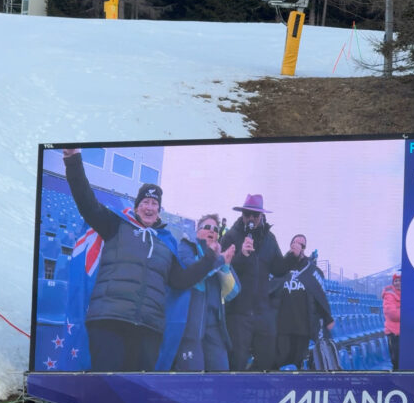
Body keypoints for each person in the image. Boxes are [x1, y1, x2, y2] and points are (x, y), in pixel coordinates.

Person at [62, 148, 227, 371]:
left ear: (159, 211)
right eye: (146, 202)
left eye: (154, 204)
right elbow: (87, 203)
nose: (150, 207)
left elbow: (181, 280)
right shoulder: (115, 224)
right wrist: (73, 161)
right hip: (109, 321)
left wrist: (210, 259)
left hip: (148, 329)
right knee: (104, 388)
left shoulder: (167, 242)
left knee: (136, 394)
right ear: (137, 205)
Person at [220, 194, 298, 371]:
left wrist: (291, 257)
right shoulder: (231, 236)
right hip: (238, 311)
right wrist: (241, 256)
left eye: (255, 215)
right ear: (242, 215)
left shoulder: (270, 239)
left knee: (266, 358)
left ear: (262, 216)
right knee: (237, 360)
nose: (251, 218)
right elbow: (222, 268)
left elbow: (277, 269)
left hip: (262, 311)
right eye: (247, 214)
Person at [166, 214, 237, 372]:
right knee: (192, 377)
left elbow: (233, 292)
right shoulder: (187, 246)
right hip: (191, 326)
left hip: (215, 328)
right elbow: (191, 273)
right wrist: (217, 261)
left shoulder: (221, 256)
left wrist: (225, 266)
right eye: (207, 227)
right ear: (198, 231)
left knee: (221, 375)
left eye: (216, 229)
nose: (212, 231)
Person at [271, 236, 335, 369]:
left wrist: (328, 319)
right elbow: (269, 289)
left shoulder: (312, 270)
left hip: (303, 328)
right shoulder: (280, 267)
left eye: (302, 245)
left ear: (304, 249)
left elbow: (320, 297)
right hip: (282, 327)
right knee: (280, 361)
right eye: (295, 242)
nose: (298, 246)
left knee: (297, 364)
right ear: (290, 245)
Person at [382, 272, 401, 370]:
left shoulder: (406, 295)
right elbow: (393, 314)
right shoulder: (389, 295)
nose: (398, 283)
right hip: (394, 333)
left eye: (400, 281)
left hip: (404, 333)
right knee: (397, 361)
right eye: (396, 281)